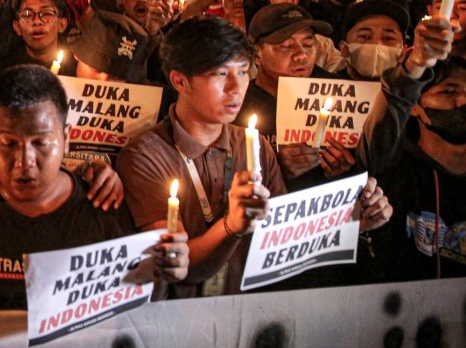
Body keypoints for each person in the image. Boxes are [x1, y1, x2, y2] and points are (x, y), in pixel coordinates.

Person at [118, 16, 390, 297]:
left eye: (244, 71)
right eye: (221, 74)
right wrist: (231, 226)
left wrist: (351, 222)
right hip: (175, 318)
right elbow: (180, 265)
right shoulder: (145, 154)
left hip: (249, 310)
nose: (236, 87)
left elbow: (282, 245)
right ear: (180, 80)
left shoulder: (254, 145)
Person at [0, 64, 189, 311]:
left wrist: (164, 273)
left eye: (41, 143)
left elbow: (138, 309)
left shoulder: (104, 208)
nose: (25, 161)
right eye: (8, 144)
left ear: (66, 139)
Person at [238, 3, 356, 190]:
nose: (301, 55)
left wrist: (344, 172)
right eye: (286, 46)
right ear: (256, 54)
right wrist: (274, 169)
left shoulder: (338, 96)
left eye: (308, 44)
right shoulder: (236, 106)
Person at [338, 0, 410, 81]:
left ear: (403, 53)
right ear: (344, 49)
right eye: (364, 36)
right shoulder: (323, 86)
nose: (377, 44)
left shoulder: (416, 93)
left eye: (388, 38)